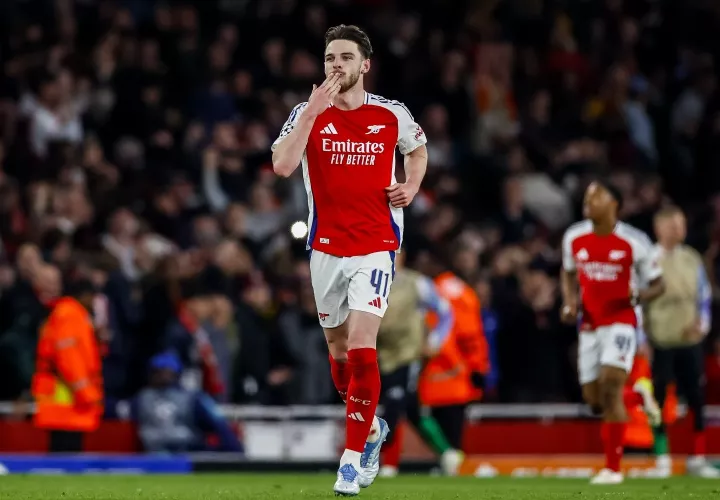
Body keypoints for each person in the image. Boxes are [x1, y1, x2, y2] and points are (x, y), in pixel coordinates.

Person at [271, 24, 428, 496]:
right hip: (326, 248)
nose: (336, 66)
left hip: (376, 245)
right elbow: (282, 165)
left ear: (364, 65)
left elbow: (417, 151)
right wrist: (310, 113)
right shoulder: (307, 112)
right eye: (329, 59)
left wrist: (412, 185)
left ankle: (351, 460)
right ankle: (372, 429)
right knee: (339, 353)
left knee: (362, 347)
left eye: (344, 58)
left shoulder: (392, 113)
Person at [560, 180, 666, 485]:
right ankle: (638, 396)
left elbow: (659, 284)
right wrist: (569, 302)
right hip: (589, 325)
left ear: (614, 204)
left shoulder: (634, 241)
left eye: (597, 196)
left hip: (622, 321)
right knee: (594, 400)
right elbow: (567, 272)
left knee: (610, 386)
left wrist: (639, 296)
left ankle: (613, 469)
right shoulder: (574, 237)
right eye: (587, 196)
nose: (589, 201)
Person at [645, 206, 719, 478]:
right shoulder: (648, 260)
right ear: (659, 228)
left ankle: (697, 458)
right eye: (674, 225)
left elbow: (704, 295)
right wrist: (642, 339)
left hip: (690, 340)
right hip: (661, 341)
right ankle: (661, 459)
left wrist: (703, 323)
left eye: (682, 225)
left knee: (697, 399)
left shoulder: (691, 258)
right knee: (658, 401)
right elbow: (637, 303)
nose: (680, 230)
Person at [374, 250, 460, 477]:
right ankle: (447, 453)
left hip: (409, 356)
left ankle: (377, 461)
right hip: (382, 357)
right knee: (412, 411)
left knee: (394, 402)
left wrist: (434, 341)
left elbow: (445, 312)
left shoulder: (417, 283)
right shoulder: (371, 282)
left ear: (401, 256)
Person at [31, 277, 103, 452]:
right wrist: (86, 392)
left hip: (64, 396)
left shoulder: (64, 313)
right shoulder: (70, 314)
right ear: (85, 295)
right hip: (67, 398)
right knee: (66, 452)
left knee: (62, 449)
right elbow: (69, 358)